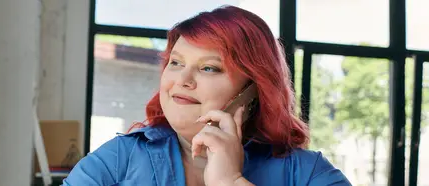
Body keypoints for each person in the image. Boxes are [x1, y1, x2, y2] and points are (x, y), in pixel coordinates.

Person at [63, 5, 351, 186]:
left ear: (252, 91)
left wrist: (231, 182)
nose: (182, 80)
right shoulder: (118, 159)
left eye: (209, 68)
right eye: (175, 63)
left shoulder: (307, 173)